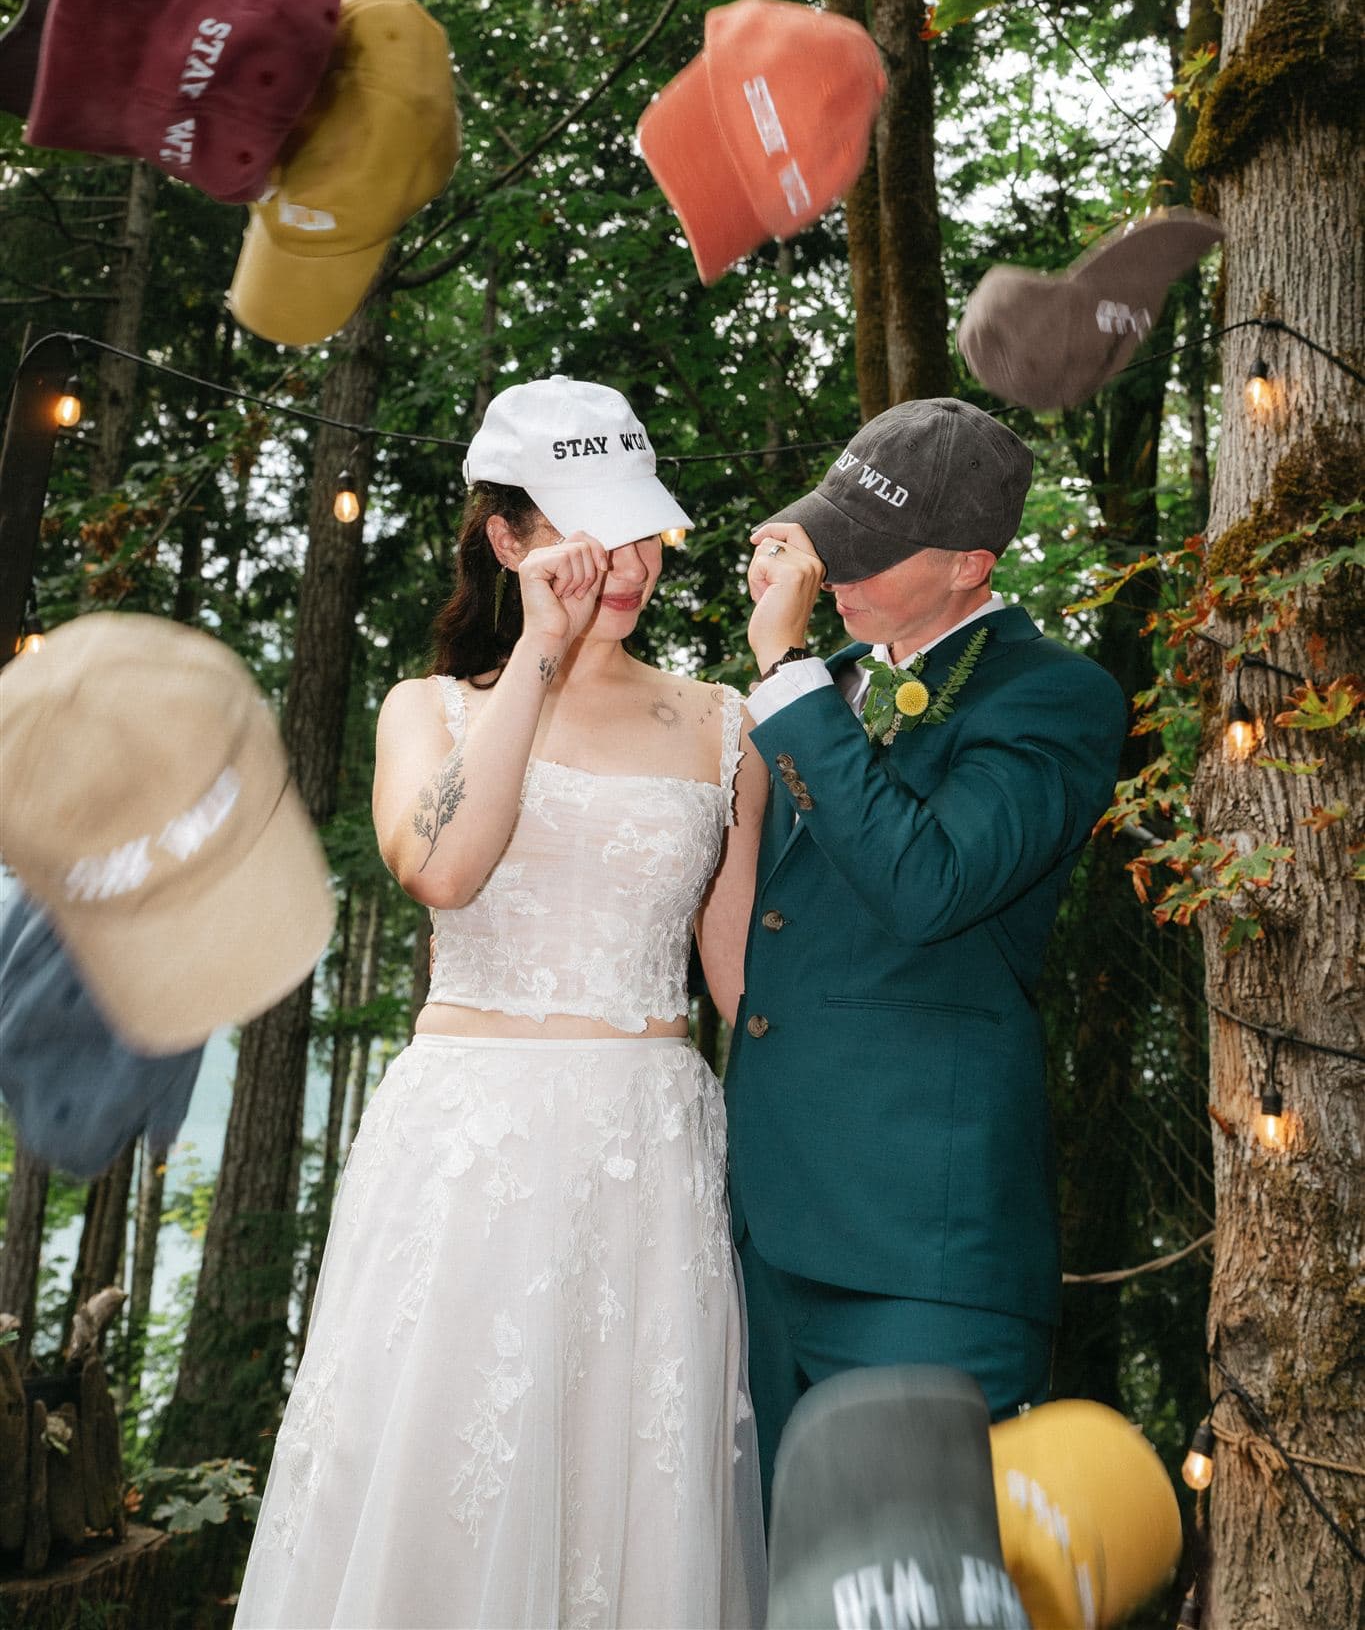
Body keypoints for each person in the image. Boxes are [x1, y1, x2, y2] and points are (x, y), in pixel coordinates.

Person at [235, 376, 768, 1630]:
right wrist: (536, 654)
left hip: (653, 1157)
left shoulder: (721, 723)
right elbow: (444, 867)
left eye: (642, 529)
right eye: (590, 529)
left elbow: (742, 985)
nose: (626, 563)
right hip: (471, 1155)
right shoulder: (429, 710)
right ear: (510, 537)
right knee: (446, 1485)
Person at [723, 396, 1129, 1506]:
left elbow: (927, 881)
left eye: (867, 553)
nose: (831, 570)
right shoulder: (832, 687)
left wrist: (791, 674)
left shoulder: (1056, 697)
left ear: (971, 564)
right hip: (767, 1232)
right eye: (828, 536)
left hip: (921, 1253)